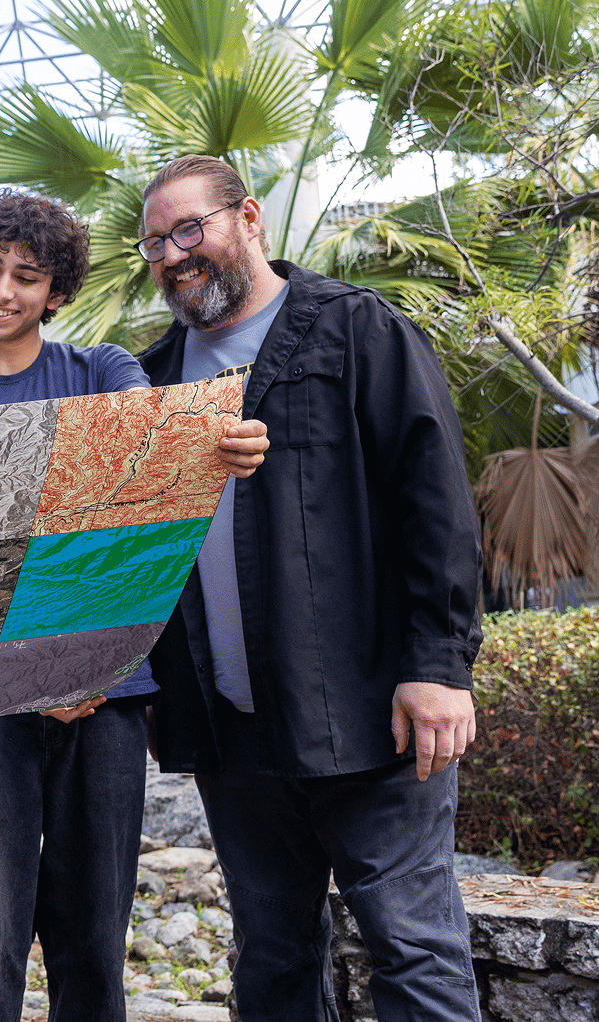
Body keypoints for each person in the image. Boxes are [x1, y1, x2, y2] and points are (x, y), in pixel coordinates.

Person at [0, 189, 269, 1022]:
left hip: (106, 695)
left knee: (92, 937)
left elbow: (144, 489)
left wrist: (223, 442)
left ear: (55, 292)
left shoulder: (101, 371)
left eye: (27, 277)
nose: (3, 291)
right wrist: (27, 669)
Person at [135, 154, 484, 1022]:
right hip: (232, 731)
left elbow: (434, 500)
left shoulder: (354, 329)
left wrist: (438, 665)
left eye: (189, 228)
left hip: (372, 714)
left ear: (247, 218)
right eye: (153, 243)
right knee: (273, 954)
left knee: (412, 948)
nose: (172, 254)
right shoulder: (148, 377)